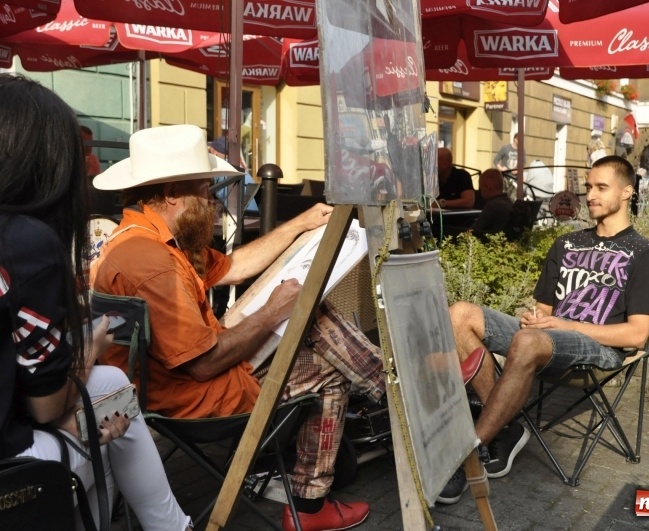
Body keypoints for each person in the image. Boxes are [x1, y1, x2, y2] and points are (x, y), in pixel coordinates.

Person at [90, 124, 385, 531]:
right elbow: (204, 365)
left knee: (312, 320)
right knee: (322, 349)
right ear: (173, 193)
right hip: (193, 401)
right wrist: (271, 313)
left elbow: (233, 267)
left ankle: (386, 386)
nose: (212, 201)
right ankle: (386, 394)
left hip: (176, 385)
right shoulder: (153, 262)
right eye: (205, 189)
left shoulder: (145, 238)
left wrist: (300, 224)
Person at [0, 74, 191, 530]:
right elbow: (46, 406)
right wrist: (91, 345)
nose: (88, 165)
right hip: (10, 469)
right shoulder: (27, 244)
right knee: (108, 412)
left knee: (107, 389)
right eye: (79, 154)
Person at [441, 155, 649, 502]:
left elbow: (637, 335)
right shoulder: (567, 244)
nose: (590, 195)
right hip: (547, 336)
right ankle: (506, 427)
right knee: (460, 314)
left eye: (601, 188)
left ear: (627, 193)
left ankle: (469, 452)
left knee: (530, 342)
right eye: (589, 187)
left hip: (598, 346)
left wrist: (565, 325)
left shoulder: (644, 254)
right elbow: (544, 309)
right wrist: (534, 317)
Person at [207, 135, 260, 213]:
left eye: (210, 152)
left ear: (215, 153)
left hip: (237, 217)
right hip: (253, 216)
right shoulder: (242, 170)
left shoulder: (217, 169)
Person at [471, 169, 513, 236]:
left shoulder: (492, 206)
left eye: (481, 188)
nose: (480, 193)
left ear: (488, 187)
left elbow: (475, 230)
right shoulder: (509, 202)